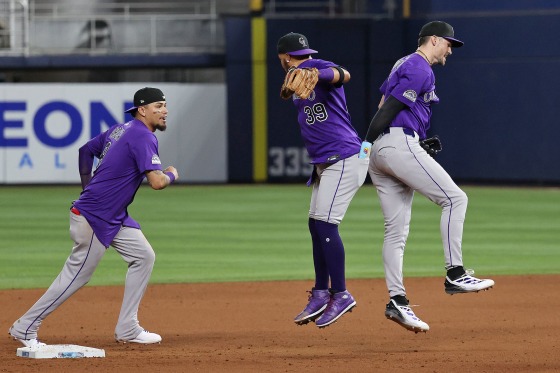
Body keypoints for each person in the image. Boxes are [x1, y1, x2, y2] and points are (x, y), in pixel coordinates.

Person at [9, 87, 179, 346]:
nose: (164, 110)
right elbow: (157, 182)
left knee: (143, 256)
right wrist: (173, 174)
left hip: (114, 214)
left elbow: (85, 150)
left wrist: (87, 186)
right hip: (95, 216)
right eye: (158, 106)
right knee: (76, 276)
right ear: (142, 111)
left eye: (165, 105)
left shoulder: (119, 129)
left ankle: (127, 328)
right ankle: (26, 326)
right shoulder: (143, 136)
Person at [363, 21, 495, 333]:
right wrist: (365, 145)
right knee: (455, 199)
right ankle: (456, 273)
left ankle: (397, 301)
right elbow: (390, 107)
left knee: (395, 232)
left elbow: (384, 104)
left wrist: (375, 149)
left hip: (387, 148)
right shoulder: (421, 66)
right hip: (394, 144)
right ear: (433, 40)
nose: (451, 49)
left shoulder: (403, 63)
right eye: (448, 43)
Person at [277, 32, 369, 328]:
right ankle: (320, 292)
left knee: (327, 225)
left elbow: (344, 74)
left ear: (283, 57)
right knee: (315, 225)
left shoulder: (317, 67)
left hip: (344, 156)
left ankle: (340, 294)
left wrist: (316, 71)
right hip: (326, 163)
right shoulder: (295, 79)